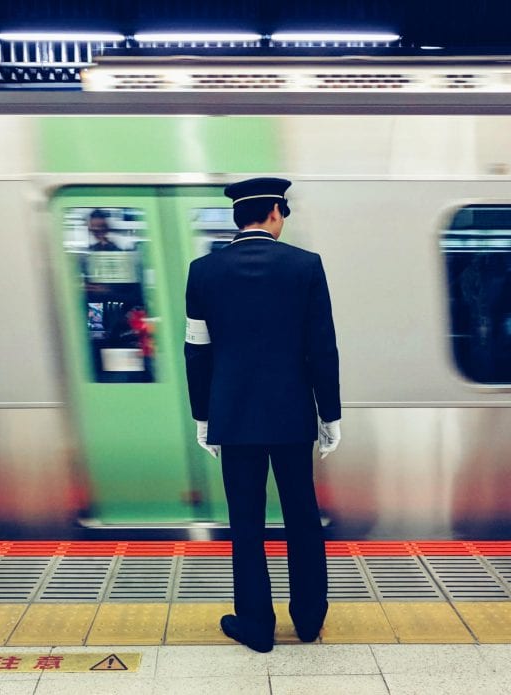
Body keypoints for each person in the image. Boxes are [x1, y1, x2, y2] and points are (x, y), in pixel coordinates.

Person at [183, 177, 341, 653]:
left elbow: (197, 350)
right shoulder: (305, 266)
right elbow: (322, 349)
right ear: (275, 212)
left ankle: (256, 624)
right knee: (302, 515)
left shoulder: (202, 271)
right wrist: (328, 415)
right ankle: (309, 618)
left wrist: (203, 417)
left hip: (232, 416)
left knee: (246, 522)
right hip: (293, 416)